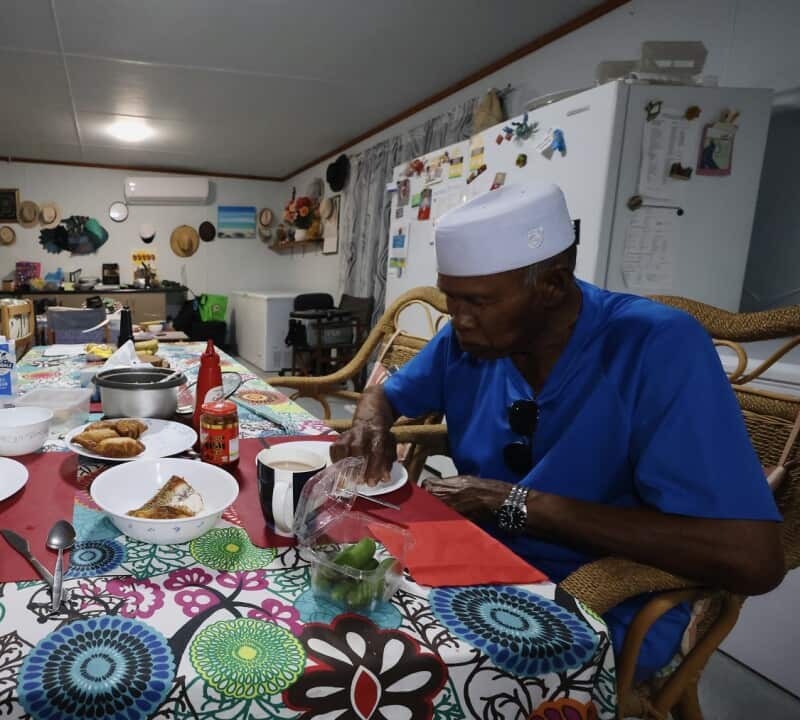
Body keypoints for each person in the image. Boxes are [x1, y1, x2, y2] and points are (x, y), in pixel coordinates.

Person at [333, 182, 783, 681]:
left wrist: (517, 504)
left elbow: (753, 559)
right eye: (451, 299)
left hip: (599, 599)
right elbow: (386, 394)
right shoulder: (468, 339)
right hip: (476, 564)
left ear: (551, 285)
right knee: (338, 618)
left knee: (388, 673)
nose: (457, 319)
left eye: (478, 301)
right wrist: (370, 421)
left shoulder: (656, 347)